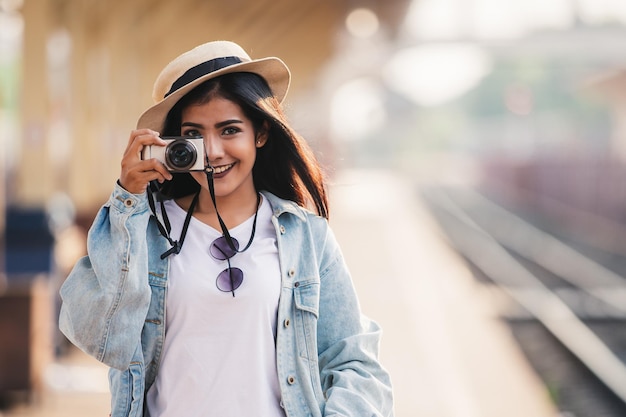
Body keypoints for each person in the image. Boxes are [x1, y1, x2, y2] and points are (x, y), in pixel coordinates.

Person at [58, 40, 393, 417]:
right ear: (173, 143)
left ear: (261, 133)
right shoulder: (146, 231)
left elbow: (355, 364)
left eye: (230, 130)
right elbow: (102, 339)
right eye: (195, 135)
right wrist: (127, 202)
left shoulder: (306, 238)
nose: (213, 151)